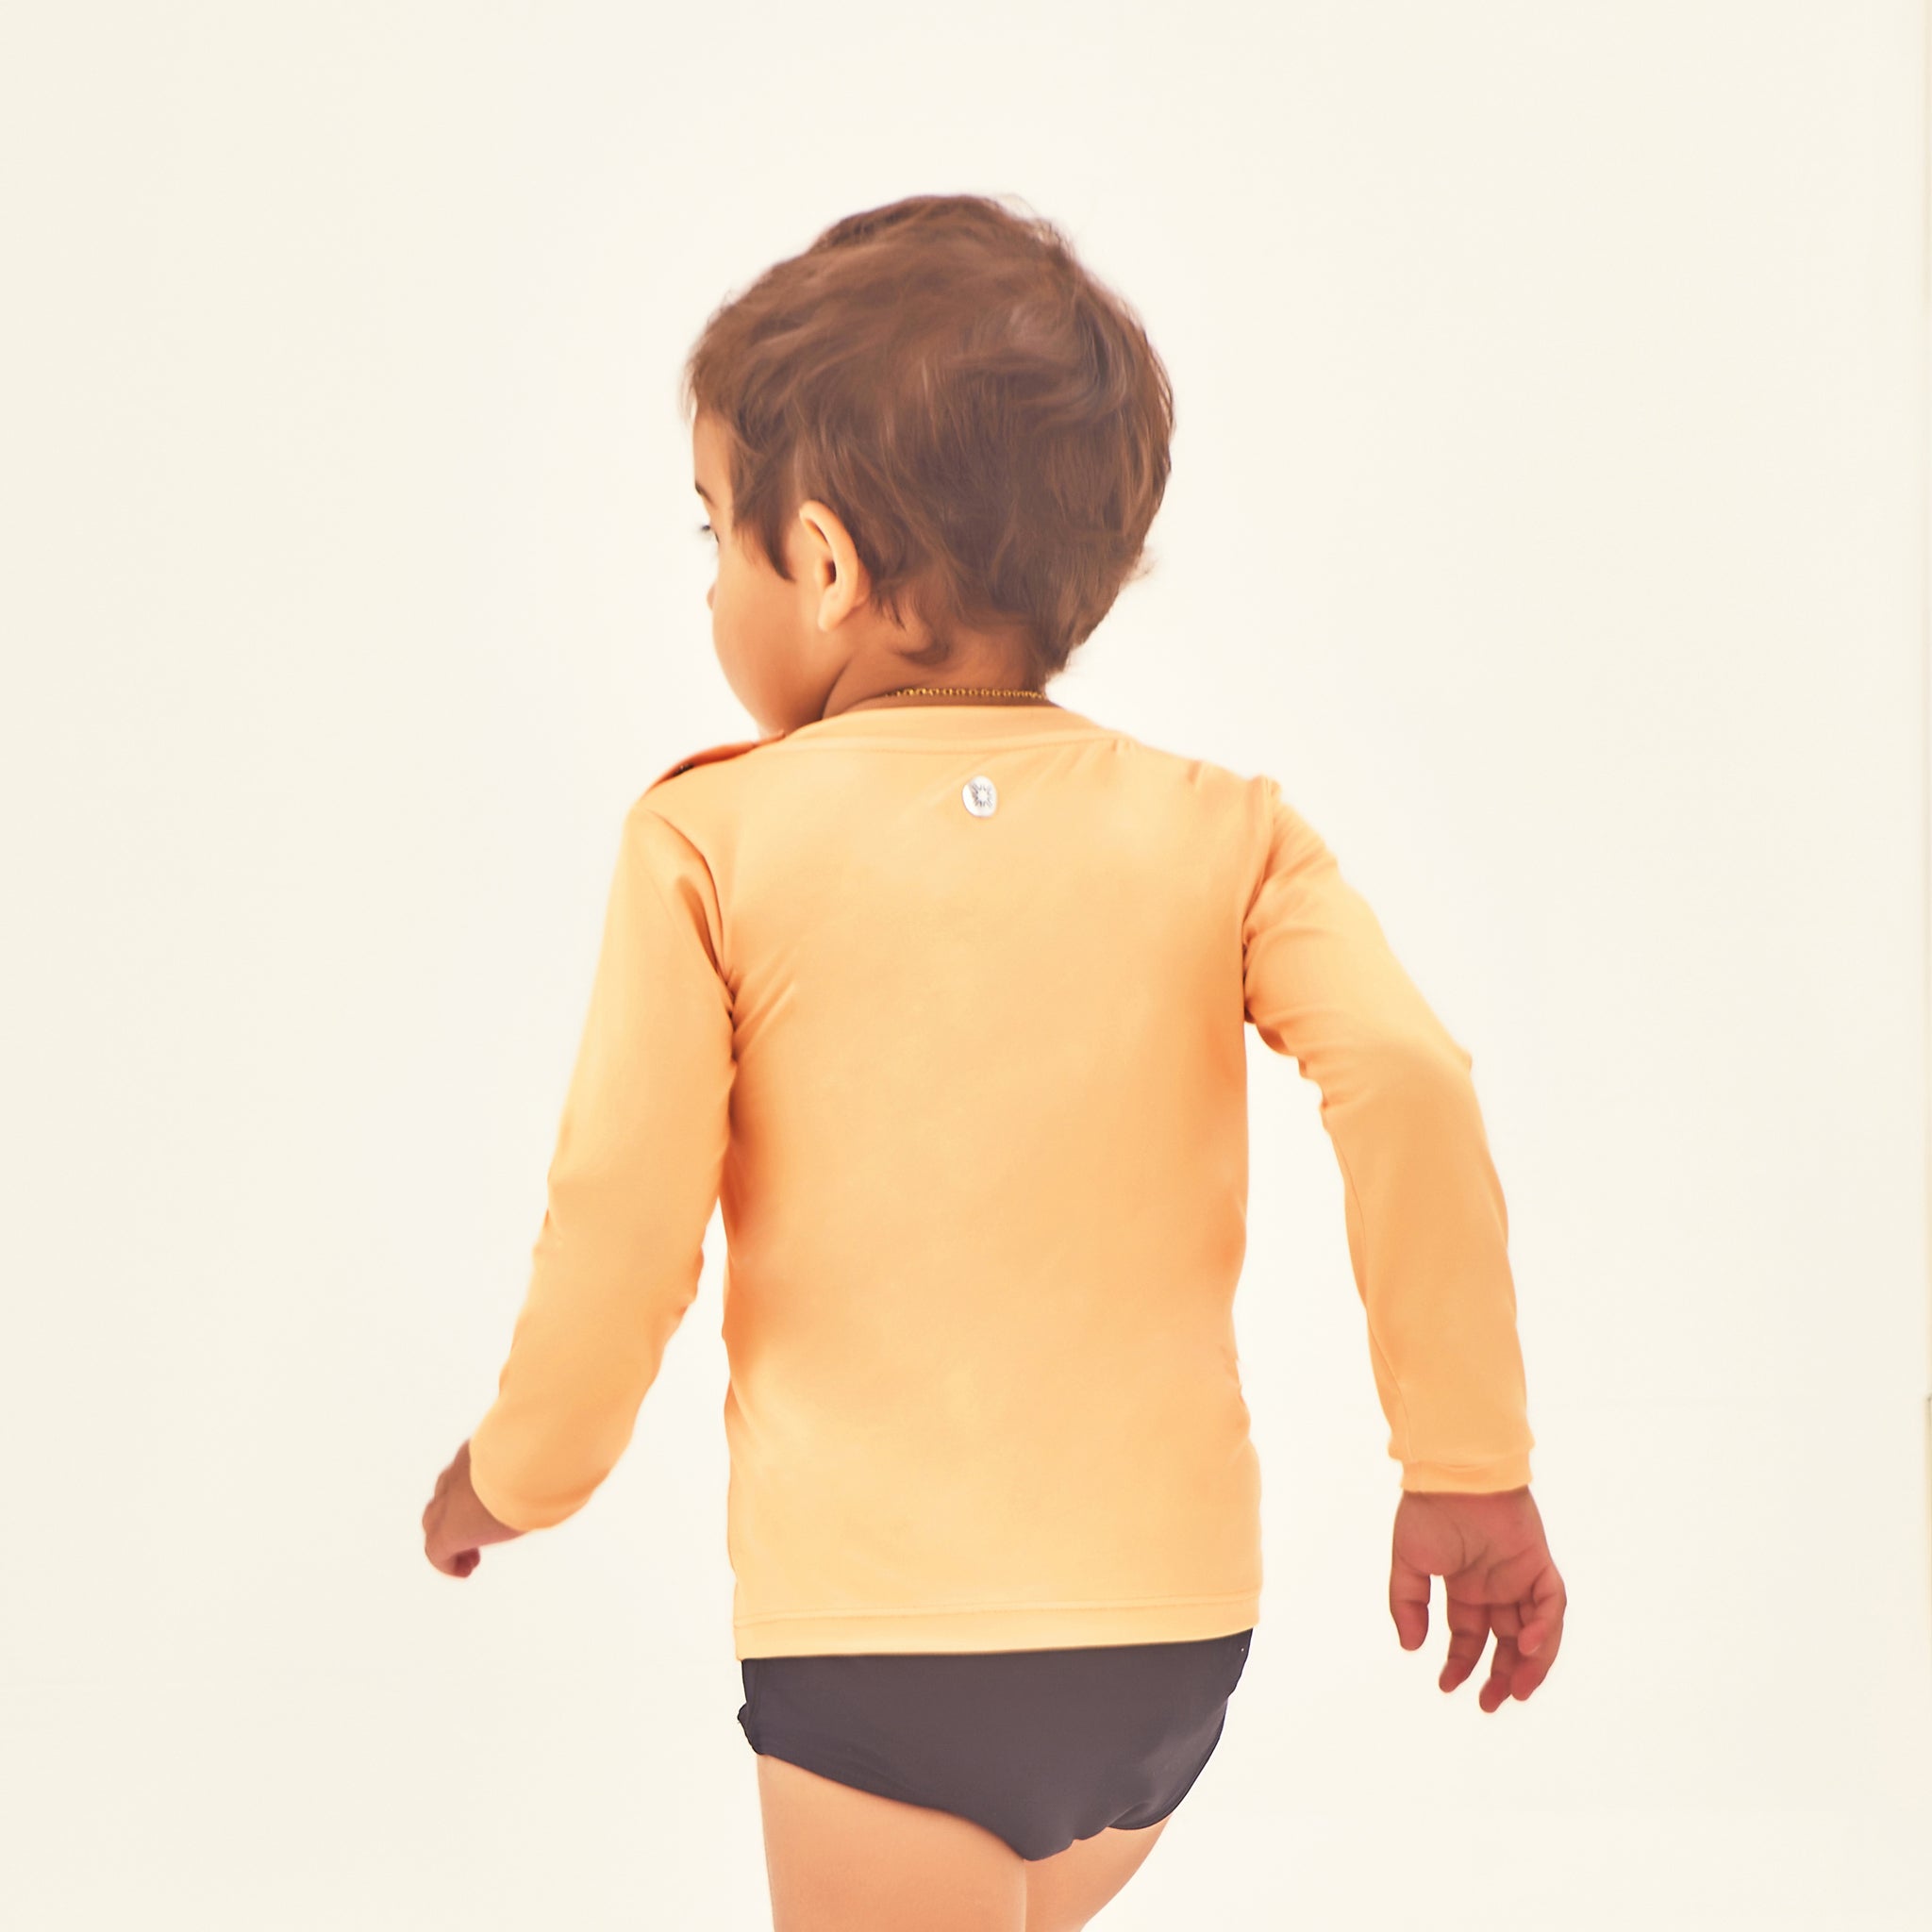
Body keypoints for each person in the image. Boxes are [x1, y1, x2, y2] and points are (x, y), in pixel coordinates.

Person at [419, 192, 1566, 1932]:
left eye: (718, 534)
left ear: (821, 564)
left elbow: (619, 1227)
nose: (716, 582)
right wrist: (1466, 1459)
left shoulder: (710, 842)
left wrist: (516, 1474)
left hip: (881, 1645)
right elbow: (1408, 1073)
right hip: (1167, 1640)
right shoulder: (1228, 831)